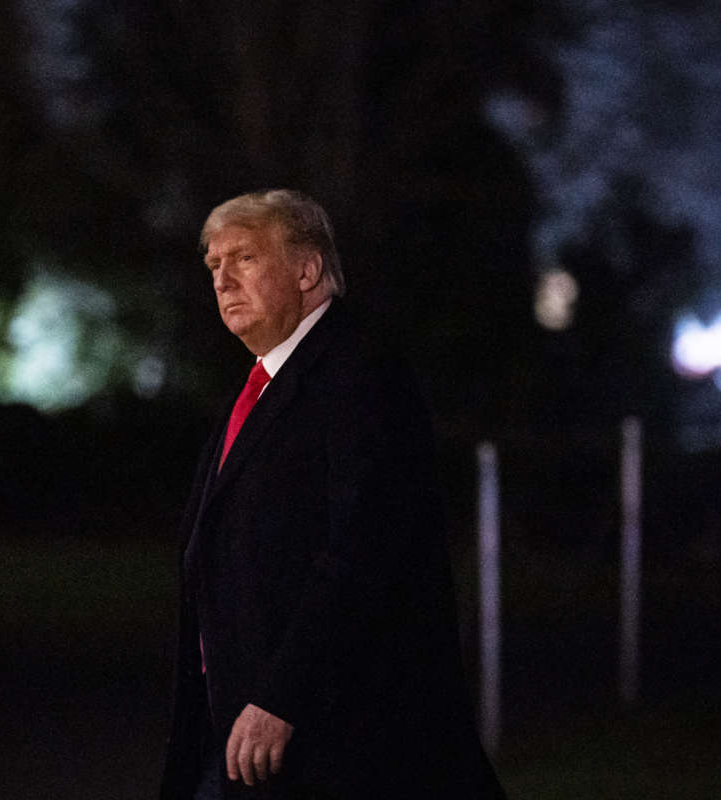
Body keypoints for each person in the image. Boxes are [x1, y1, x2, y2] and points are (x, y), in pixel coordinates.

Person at [160, 190, 506, 799]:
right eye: (214, 266)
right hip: (242, 736)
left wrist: (279, 695)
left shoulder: (360, 377)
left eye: (242, 258)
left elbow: (364, 553)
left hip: (337, 743)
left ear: (306, 269)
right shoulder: (262, 384)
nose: (221, 280)